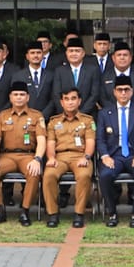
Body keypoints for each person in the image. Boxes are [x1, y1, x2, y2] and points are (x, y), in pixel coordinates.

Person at [0, 80, 44, 226]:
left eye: (22, 94)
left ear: (28, 97)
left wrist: (37, 159)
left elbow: (42, 140)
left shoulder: (37, 116)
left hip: (28, 156)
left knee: (34, 173)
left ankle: (25, 211)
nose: (19, 97)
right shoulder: (2, 116)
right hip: (7, 156)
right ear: (10, 97)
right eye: (15, 94)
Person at [97, 77, 134, 227]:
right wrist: (105, 156)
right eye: (120, 90)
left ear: (132, 91)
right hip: (114, 155)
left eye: (126, 90)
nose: (123, 93)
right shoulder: (104, 112)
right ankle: (112, 213)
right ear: (114, 92)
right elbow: (100, 139)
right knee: (105, 174)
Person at [43, 88, 95, 228]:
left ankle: (79, 214)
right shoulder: (54, 122)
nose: (70, 102)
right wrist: (51, 157)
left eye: (73, 99)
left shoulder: (88, 120)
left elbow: (90, 142)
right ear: (61, 102)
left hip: (80, 156)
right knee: (49, 175)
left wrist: (86, 157)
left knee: (84, 175)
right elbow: (50, 143)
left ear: (79, 101)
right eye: (66, 99)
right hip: (60, 157)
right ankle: (53, 213)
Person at [47, 36, 101, 119]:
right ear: (66, 53)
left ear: (83, 53)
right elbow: (56, 94)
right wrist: (67, 113)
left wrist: (80, 114)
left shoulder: (93, 70)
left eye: (77, 51)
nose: (74, 54)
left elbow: (94, 95)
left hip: (88, 116)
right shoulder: (59, 71)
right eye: (71, 51)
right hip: (64, 117)